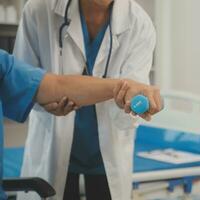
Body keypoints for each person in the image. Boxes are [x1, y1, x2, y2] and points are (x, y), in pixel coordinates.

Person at [14, 0, 157, 199]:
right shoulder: (39, 9)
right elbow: (20, 83)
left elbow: (134, 97)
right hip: (53, 147)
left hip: (106, 154)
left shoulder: (139, 24)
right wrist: (45, 104)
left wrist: (133, 104)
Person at [0, 49, 162, 199]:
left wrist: (127, 86)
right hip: (57, 147)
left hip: (103, 154)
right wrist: (125, 86)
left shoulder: (3, 64)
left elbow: (55, 85)